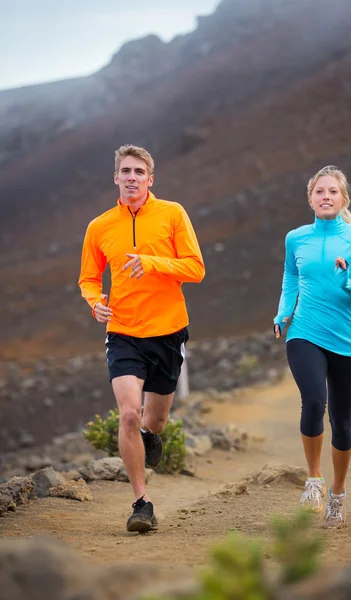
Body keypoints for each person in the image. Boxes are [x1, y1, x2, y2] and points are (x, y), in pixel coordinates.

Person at [79, 144, 205, 533]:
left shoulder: (172, 214)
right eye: (125, 171)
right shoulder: (99, 227)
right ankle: (141, 502)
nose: (131, 177)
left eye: (139, 172)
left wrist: (150, 262)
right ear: (115, 177)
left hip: (167, 331)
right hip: (122, 332)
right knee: (129, 414)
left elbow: (195, 268)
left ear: (151, 179)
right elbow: (88, 278)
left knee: (155, 419)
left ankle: (151, 435)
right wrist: (95, 302)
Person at [273, 165, 351, 529]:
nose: (326, 197)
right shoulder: (295, 238)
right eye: (320, 192)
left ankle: (338, 493)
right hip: (305, 332)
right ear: (311, 199)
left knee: (343, 422)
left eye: (333, 192)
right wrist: (284, 311)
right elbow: (290, 276)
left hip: (349, 341)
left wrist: (348, 281)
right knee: (314, 400)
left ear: (343, 198)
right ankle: (314, 481)